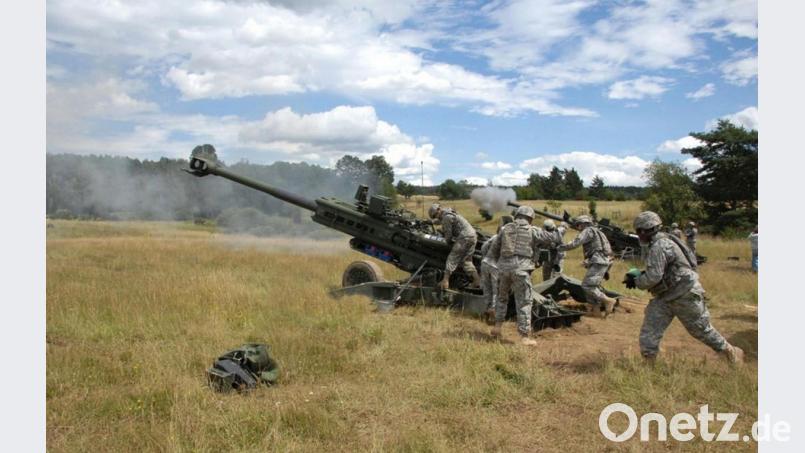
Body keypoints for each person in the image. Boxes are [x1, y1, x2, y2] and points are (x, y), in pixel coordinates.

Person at [625, 211, 744, 364]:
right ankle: (649, 365)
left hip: (684, 293)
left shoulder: (660, 245)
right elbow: (659, 271)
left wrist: (637, 281)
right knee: (650, 330)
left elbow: (654, 277)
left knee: (701, 330)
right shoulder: (657, 243)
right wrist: (639, 276)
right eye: (638, 231)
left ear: (651, 229)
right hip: (665, 296)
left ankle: (731, 353)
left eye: (642, 231)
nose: (640, 234)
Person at [487, 206, 556, 346]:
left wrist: (501, 264)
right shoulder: (532, 230)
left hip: (503, 270)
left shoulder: (505, 229)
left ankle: (497, 327)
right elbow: (552, 239)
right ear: (530, 218)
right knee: (524, 302)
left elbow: (493, 250)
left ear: (517, 215)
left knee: (501, 298)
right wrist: (562, 227)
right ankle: (524, 336)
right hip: (521, 271)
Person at [557, 215, 618, 318]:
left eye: (579, 225)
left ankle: (608, 301)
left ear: (584, 224)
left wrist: (560, 248)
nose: (578, 227)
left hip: (598, 261)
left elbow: (576, 243)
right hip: (603, 261)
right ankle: (596, 311)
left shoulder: (588, 230)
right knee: (593, 286)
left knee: (587, 286)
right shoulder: (599, 232)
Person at [428, 203, 480, 289]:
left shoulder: (446, 217)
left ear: (438, 210)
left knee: (452, 258)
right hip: (472, 236)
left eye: (435, 215)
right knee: (466, 261)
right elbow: (440, 220)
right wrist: (431, 222)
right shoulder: (448, 212)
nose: (436, 217)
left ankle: (445, 282)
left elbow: (448, 237)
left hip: (464, 237)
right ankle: (477, 281)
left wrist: (445, 242)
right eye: (434, 217)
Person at [480, 216, 513, 321]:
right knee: (496, 291)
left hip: (485, 263)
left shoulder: (495, 236)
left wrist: (486, 257)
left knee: (487, 289)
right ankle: (493, 312)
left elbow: (484, 247)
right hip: (495, 266)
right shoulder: (508, 238)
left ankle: (486, 310)